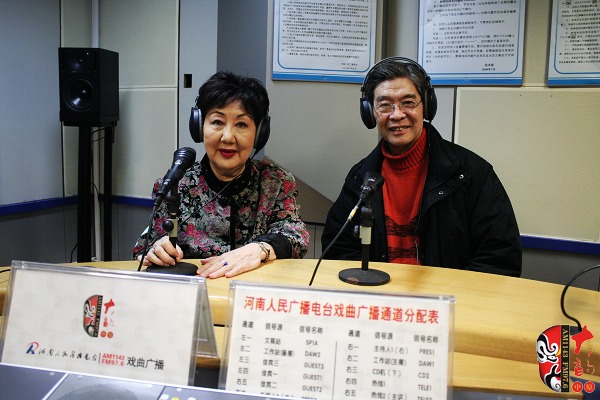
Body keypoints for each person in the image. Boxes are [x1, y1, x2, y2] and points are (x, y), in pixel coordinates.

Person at [321, 57, 521, 277]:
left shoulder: (470, 174)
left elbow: (500, 258)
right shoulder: (360, 178)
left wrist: (450, 293)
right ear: (370, 112)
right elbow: (338, 250)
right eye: (385, 105)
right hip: (379, 294)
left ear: (427, 105)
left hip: (449, 296)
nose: (397, 115)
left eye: (408, 102)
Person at [134, 71, 309, 278]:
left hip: (252, 292)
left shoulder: (276, 182)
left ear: (259, 133)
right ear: (199, 126)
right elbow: (143, 248)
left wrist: (259, 249)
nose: (227, 137)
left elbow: (296, 236)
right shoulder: (176, 183)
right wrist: (156, 250)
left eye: (241, 124)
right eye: (217, 122)